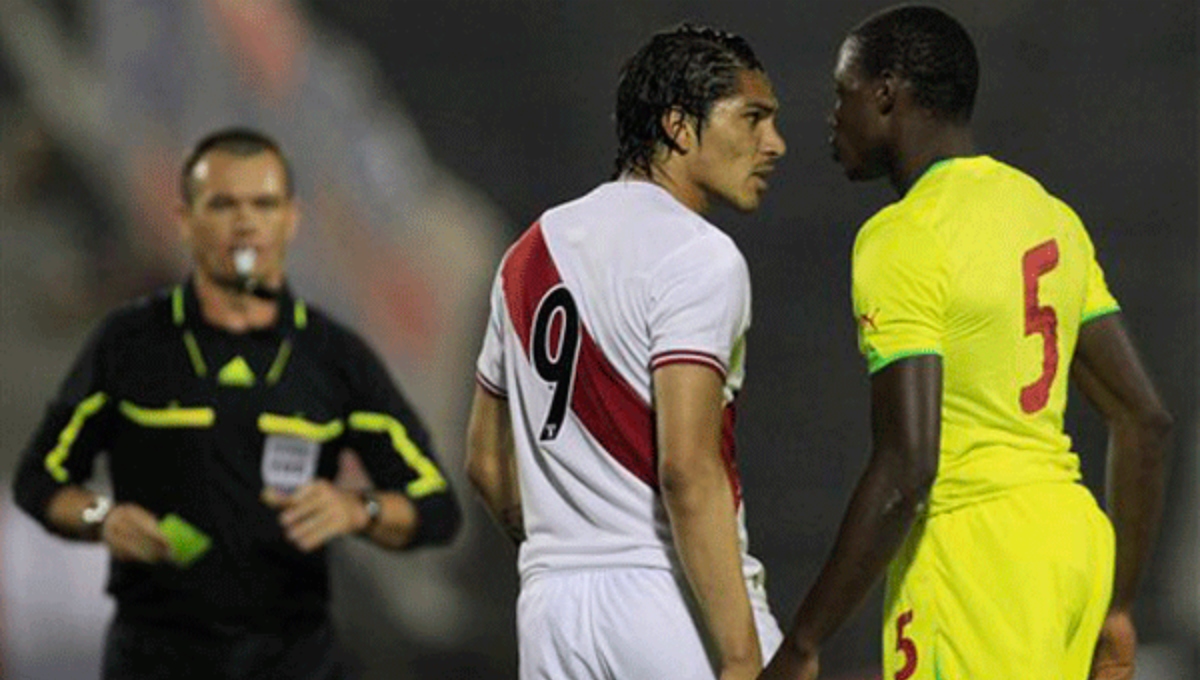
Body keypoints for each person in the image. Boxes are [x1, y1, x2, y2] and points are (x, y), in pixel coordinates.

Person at [760, 6, 1173, 680]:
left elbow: (908, 469)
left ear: (888, 95)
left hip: (975, 559)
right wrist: (1120, 607)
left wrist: (805, 642)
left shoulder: (904, 237)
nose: (833, 116)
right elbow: (1144, 420)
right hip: (1072, 553)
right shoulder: (1049, 215)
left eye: (844, 93)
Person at [11, 127, 461, 680]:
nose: (244, 224)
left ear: (291, 219)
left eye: (263, 204)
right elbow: (39, 482)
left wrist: (358, 510)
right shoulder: (128, 346)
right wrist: (101, 517)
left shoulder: (333, 359)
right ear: (186, 220)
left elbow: (436, 507)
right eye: (222, 204)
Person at [465, 23, 786, 680]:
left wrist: (566, 545)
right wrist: (740, 656)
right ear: (678, 126)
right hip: (667, 595)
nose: (773, 144)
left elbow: (484, 460)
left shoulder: (527, 255)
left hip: (552, 610)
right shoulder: (698, 257)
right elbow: (687, 472)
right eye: (752, 118)